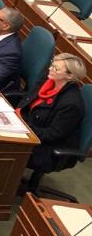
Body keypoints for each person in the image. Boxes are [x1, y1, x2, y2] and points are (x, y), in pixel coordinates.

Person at [17, 53, 87, 193]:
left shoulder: (71, 104)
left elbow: (52, 135)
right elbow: (28, 100)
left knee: (2, 147)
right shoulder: (49, 82)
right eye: (52, 64)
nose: (50, 69)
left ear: (69, 76)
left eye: (56, 68)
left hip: (47, 148)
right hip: (32, 131)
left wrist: (23, 128)